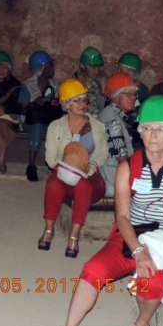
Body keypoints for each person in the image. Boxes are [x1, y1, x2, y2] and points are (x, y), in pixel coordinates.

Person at [62, 95, 163, 326]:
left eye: (161, 129)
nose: (153, 135)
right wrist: (138, 250)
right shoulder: (130, 167)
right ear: (140, 131)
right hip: (133, 234)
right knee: (93, 269)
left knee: (152, 282)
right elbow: (122, 216)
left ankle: (142, 323)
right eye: (147, 128)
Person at [38, 78, 108, 258]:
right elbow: (50, 157)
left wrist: (89, 168)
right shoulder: (56, 127)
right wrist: (64, 170)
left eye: (84, 99)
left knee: (83, 186)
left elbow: (102, 154)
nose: (82, 104)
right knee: (53, 185)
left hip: (88, 175)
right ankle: (49, 229)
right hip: (62, 172)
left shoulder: (97, 127)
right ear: (66, 104)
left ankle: (74, 235)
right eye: (76, 100)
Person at [19, 50, 61, 182]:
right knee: (37, 127)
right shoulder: (28, 85)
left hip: (49, 121)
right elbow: (22, 110)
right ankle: (31, 165)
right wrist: (34, 102)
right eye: (49, 66)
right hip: (31, 122)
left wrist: (56, 103)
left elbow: (64, 106)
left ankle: (55, 165)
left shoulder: (56, 84)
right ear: (41, 68)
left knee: (58, 128)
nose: (52, 69)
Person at [98, 73, 139, 197]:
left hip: (118, 177)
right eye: (128, 94)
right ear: (114, 95)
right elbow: (122, 160)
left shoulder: (116, 115)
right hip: (115, 182)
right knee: (153, 187)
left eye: (134, 94)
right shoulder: (111, 119)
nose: (134, 98)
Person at [74, 46, 106, 116]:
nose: (96, 71)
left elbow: (105, 108)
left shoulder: (100, 81)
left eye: (98, 67)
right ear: (83, 67)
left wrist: (103, 91)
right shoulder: (74, 82)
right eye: (93, 68)